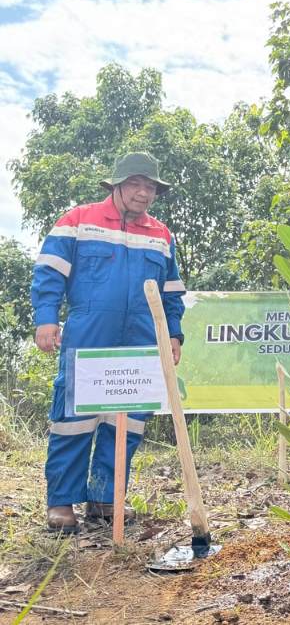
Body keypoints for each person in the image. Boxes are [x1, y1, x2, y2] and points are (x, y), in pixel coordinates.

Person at [31, 152, 186, 533]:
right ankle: (61, 503)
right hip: (88, 334)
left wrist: (174, 333)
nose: (143, 192)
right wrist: (46, 319)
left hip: (141, 340)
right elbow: (49, 273)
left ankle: (105, 500)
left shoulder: (161, 235)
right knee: (73, 420)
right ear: (116, 185)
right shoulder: (78, 221)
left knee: (127, 422)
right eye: (135, 184)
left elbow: (171, 292)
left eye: (150, 187)